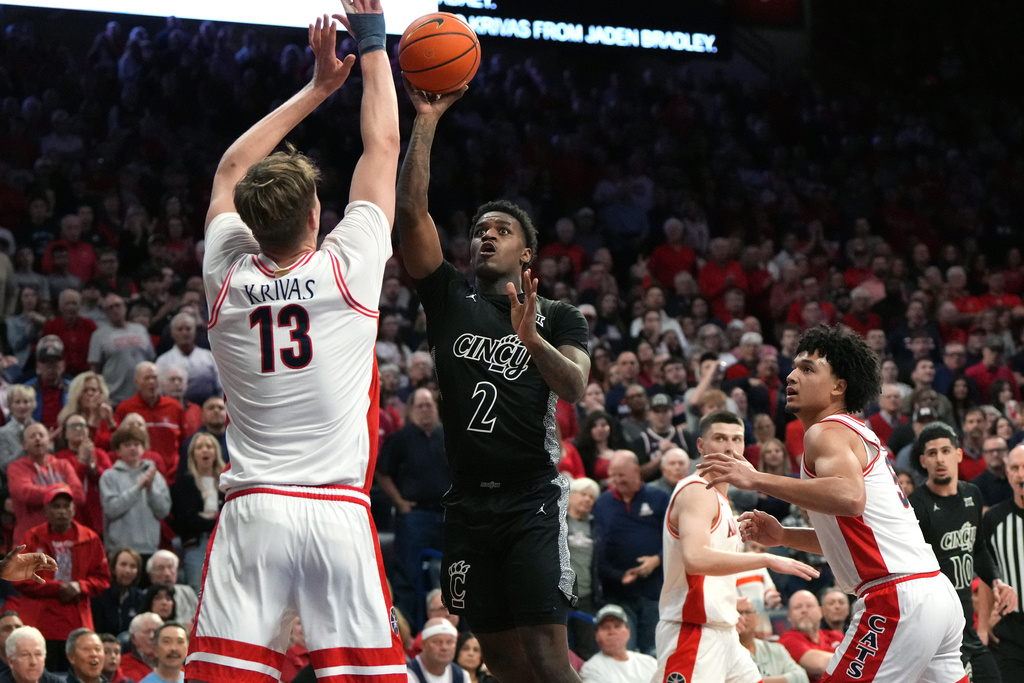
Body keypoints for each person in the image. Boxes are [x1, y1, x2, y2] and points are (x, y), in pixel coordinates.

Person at [185, 3, 405, 682]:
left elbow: (228, 168)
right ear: (317, 214)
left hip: (254, 511)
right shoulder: (347, 269)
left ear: (248, 224)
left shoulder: (226, 274)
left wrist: (315, 88)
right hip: (336, 511)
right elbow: (384, 147)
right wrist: (370, 43)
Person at [397, 61, 590, 683]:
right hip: (466, 507)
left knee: (547, 658)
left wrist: (530, 338)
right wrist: (425, 121)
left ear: (525, 252)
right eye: (479, 229)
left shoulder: (558, 315)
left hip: (532, 498)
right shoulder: (450, 297)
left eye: (501, 231)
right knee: (503, 663)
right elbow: (410, 214)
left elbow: (576, 387)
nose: (486, 236)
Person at [699, 324, 968, 682]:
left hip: (897, 597)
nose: (792, 376)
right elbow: (859, 531)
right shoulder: (850, 433)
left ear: (839, 386)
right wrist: (785, 536)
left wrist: (756, 478)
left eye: (808, 369)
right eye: (794, 367)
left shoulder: (825, 432)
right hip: (933, 592)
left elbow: (849, 499)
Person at [651, 411, 817, 683]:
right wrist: (766, 560)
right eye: (720, 438)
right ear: (701, 446)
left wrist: (726, 601)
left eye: (736, 439)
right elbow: (695, 558)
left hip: (724, 632)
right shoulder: (696, 490)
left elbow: (709, 572)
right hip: (692, 631)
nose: (730, 447)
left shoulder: (724, 502)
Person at [907, 421, 1016, 682]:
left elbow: (977, 549)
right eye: (932, 453)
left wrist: (996, 580)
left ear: (958, 454)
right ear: (923, 461)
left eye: (945, 451)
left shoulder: (972, 494)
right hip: (937, 629)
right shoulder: (916, 506)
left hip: (966, 622)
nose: (939, 459)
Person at [375, 388, 450, 625]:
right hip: (415, 515)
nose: (426, 409)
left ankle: (456, 629)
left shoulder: (448, 436)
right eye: (421, 405)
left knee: (457, 571)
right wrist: (399, 502)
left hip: (448, 514)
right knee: (407, 575)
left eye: (430, 405)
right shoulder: (400, 439)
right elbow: (382, 473)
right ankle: (407, 628)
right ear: (410, 410)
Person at [16, 485, 110, 673]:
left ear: (74, 510)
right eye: (56, 506)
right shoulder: (31, 538)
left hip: (76, 622)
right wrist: (58, 588)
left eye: (66, 506)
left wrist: (80, 586)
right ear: (46, 511)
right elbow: (20, 578)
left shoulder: (89, 538)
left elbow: (103, 578)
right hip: (40, 623)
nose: (61, 511)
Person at [592, 451, 668, 656]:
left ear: (636, 471)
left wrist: (656, 560)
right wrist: (618, 576)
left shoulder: (660, 498)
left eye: (621, 475)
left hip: (654, 591)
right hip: (618, 593)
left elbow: (675, 537)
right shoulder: (602, 503)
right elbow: (598, 551)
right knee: (623, 653)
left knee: (654, 652)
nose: (616, 480)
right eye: (612, 475)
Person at [978, 444, 1024, 680]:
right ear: (1007, 474)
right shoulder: (994, 519)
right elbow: (988, 579)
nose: (1020, 474)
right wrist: (983, 627)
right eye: (1014, 468)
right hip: (1012, 628)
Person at [8, 424, 86, 544]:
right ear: (24, 444)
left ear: (49, 441)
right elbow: (27, 493)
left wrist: (44, 493)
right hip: (31, 540)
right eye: (32, 436)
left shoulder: (63, 465)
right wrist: (62, 490)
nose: (37, 438)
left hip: (65, 539)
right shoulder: (16, 468)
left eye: (41, 435)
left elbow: (79, 495)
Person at [169, 433, 224, 594]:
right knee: (199, 592)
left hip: (223, 543)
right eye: (199, 447)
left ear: (216, 452)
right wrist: (218, 518)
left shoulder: (227, 481)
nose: (205, 451)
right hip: (197, 546)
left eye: (209, 446)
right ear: (193, 454)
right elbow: (187, 520)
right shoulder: (185, 483)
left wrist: (204, 517)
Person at [735, 596, 808, 683]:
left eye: (748, 612)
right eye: (738, 613)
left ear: (757, 617)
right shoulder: (723, 652)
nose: (743, 617)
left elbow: (801, 677)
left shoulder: (775, 649)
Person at [578, 605, 657, 683]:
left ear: (628, 632)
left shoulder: (650, 662)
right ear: (596, 635)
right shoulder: (591, 669)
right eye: (605, 627)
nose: (612, 631)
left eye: (617, 626)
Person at [777, 591, 845, 682]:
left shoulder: (835, 636)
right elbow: (822, 665)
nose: (804, 610)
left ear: (821, 612)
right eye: (798, 607)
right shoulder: (786, 640)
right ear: (789, 616)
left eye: (809, 606)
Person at [90, 548, 145, 637]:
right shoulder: (100, 595)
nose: (127, 571)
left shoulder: (140, 597)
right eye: (123, 565)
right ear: (113, 569)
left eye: (133, 566)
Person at [144, 554, 196, 634]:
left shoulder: (188, 592)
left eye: (170, 567)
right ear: (151, 575)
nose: (167, 574)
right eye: (160, 568)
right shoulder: (145, 594)